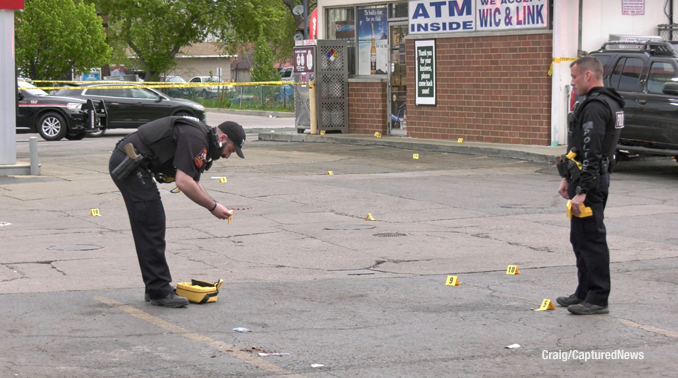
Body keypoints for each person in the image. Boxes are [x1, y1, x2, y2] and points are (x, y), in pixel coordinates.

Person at [109, 116, 246, 308]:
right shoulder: (197, 138)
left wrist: (215, 204)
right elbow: (183, 182)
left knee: (152, 221)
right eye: (230, 150)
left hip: (137, 165)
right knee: (151, 222)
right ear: (223, 138)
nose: (227, 156)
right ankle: (159, 291)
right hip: (128, 163)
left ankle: (154, 287)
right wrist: (212, 207)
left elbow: (194, 181)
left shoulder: (202, 140)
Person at [556, 56, 625, 315]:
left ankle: (597, 298)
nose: (572, 82)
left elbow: (592, 151)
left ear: (588, 76)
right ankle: (583, 291)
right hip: (585, 178)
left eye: (574, 77)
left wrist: (583, 191)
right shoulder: (607, 101)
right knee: (580, 238)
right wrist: (566, 177)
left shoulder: (596, 106)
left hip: (591, 182)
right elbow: (578, 148)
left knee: (592, 239)